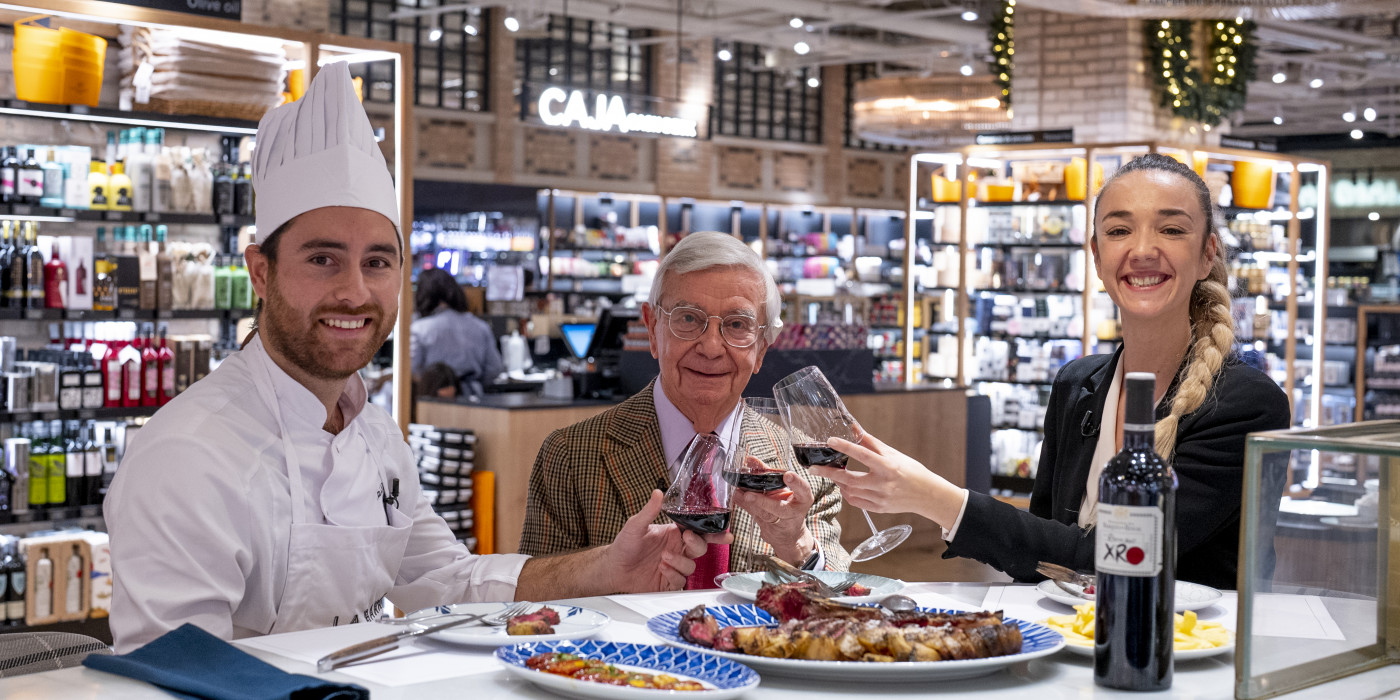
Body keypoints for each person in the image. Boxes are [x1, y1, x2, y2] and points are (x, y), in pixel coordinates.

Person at [104, 63, 714, 653]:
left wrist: (605, 568)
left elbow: (448, 582)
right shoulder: (187, 453)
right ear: (260, 273)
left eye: (377, 261)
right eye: (322, 259)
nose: (354, 291)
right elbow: (175, 673)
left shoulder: (372, 434)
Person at [813, 153, 1290, 590]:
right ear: (1097, 257)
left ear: (1208, 253)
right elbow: (1042, 558)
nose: (1143, 250)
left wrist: (936, 498)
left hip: (1188, 663)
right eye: (1120, 231)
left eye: (1171, 230)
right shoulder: (1076, 385)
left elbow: (1108, 560)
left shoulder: (1245, 405)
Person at [520, 231, 850, 586]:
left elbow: (840, 603)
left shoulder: (804, 469)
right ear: (652, 328)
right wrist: (604, 571)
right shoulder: (570, 456)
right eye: (688, 319)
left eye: (737, 325)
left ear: (762, 349)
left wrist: (797, 546)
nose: (710, 347)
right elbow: (533, 606)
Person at [410, 267, 504, 398]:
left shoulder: (419, 329)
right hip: (474, 396)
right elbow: (494, 368)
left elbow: (411, 370)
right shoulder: (480, 326)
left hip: (433, 398)